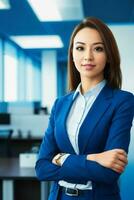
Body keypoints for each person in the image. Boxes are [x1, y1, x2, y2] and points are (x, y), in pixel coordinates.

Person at [35, 17, 134, 200]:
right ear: (72, 53)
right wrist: (94, 159)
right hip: (58, 196)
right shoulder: (60, 104)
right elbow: (42, 168)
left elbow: (109, 173)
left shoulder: (122, 101)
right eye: (80, 48)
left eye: (98, 48)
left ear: (109, 55)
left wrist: (60, 159)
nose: (88, 56)